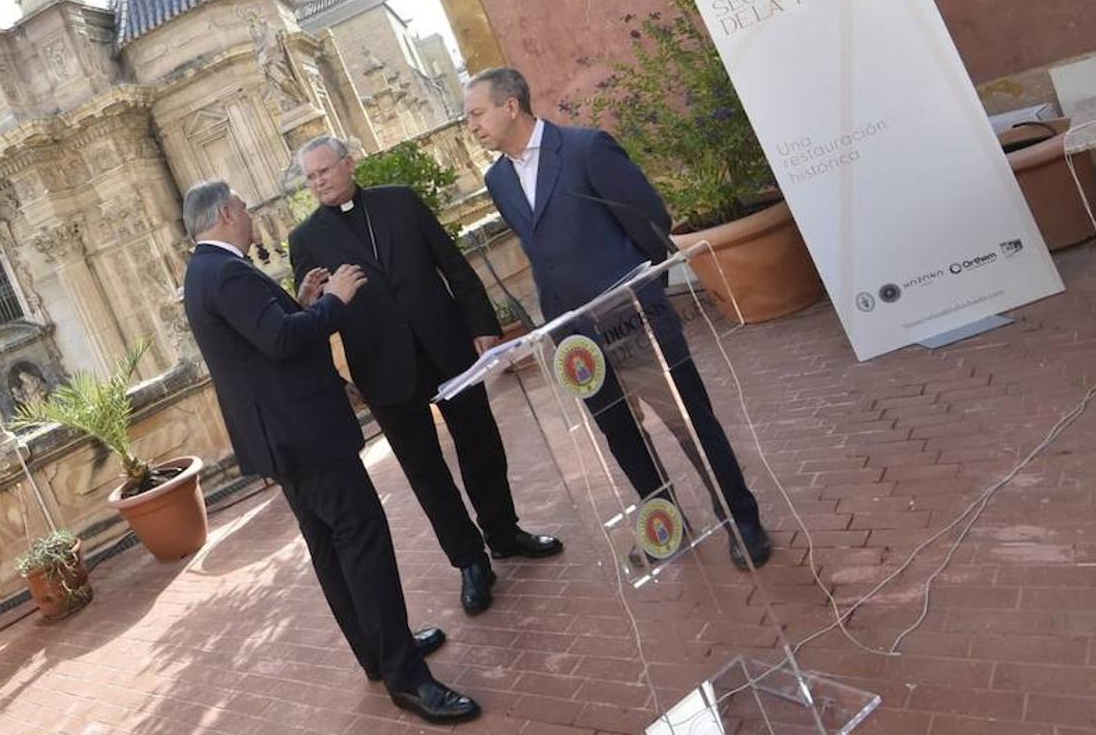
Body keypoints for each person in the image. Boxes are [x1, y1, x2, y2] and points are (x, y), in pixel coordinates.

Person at [182, 179, 480, 724]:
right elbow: (282, 342)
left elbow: (266, 337)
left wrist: (303, 305)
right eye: (244, 207)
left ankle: (377, 651)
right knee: (362, 540)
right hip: (307, 434)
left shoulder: (205, 272)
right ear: (225, 213)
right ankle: (407, 675)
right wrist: (338, 301)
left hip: (285, 438)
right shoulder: (223, 270)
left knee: (330, 549)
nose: (250, 216)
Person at [464, 67, 772, 569]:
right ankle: (666, 526)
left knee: (688, 422)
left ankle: (740, 518)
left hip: (633, 319)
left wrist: (644, 294)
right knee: (621, 435)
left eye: (476, 114)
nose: (471, 126)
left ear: (511, 106)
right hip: (574, 338)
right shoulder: (497, 179)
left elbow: (651, 224)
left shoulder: (587, 149)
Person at [289, 136, 562, 616]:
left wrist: (481, 324)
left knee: (482, 444)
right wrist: (309, 303)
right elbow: (313, 314)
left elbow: (451, 262)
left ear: (349, 164)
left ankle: (503, 532)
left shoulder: (400, 200)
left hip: (447, 345)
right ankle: (469, 562)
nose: (319, 182)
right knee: (426, 472)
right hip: (382, 367)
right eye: (310, 177)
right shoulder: (306, 239)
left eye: (325, 171)